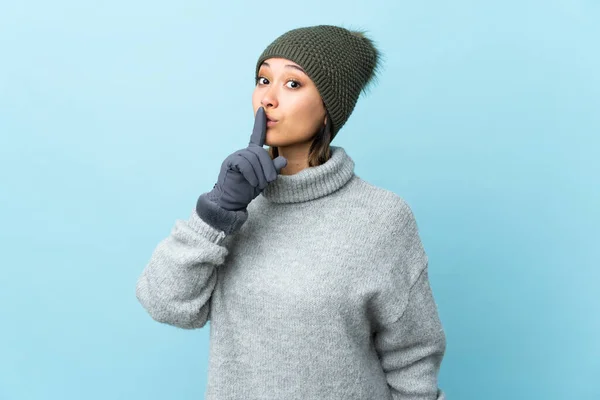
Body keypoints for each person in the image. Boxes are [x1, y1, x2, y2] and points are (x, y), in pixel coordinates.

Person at [136, 24, 447, 400]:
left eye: (293, 84)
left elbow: (413, 358)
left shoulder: (381, 218)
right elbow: (166, 304)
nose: (267, 99)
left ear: (330, 107)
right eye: (263, 79)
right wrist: (218, 210)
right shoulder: (236, 205)